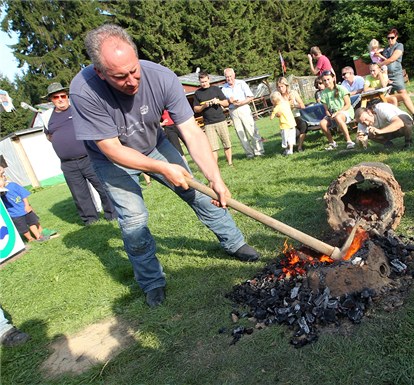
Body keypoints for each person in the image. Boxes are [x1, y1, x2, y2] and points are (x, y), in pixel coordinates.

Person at [69, 24, 260, 308]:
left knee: (201, 195)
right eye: (120, 77)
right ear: (100, 72)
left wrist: (215, 178)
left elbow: (192, 132)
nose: (132, 81)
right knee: (134, 221)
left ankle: (234, 243)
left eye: (134, 71)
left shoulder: (161, 77)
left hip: (154, 144)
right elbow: (110, 148)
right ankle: (152, 282)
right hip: (111, 158)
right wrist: (162, 169)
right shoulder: (83, 90)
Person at [42, 82, 117, 226]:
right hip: (68, 164)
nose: (60, 99)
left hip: (89, 158)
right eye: (56, 97)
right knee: (79, 194)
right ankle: (90, 220)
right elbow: (49, 136)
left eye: (63, 96)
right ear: (51, 100)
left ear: (67, 96)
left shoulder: (78, 109)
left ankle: (112, 214)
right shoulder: (47, 117)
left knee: (102, 186)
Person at [0, 169, 57, 242]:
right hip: (14, 214)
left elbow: (23, 195)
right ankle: (30, 238)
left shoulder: (13, 185)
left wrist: (27, 205)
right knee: (23, 228)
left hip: (25, 209)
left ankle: (39, 236)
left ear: (3, 178)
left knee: (32, 222)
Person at [379, 28, 414, 122]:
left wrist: (379, 65)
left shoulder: (399, 46)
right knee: (388, 97)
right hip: (386, 75)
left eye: (392, 37)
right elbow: (384, 58)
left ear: (396, 37)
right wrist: (378, 54)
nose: (390, 40)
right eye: (388, 38)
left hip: (396, 74)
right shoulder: (386, 49)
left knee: (403, 94)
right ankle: (393, 118)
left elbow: (392, 59)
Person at [221, 68, 265, 159]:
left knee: (252, 130)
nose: (229, 78)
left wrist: (242, 102)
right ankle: (249, 154)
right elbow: (223, 103)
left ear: (234, 75)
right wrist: (229, 103)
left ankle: (259, 151)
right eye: (227, 77)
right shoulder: (224, 88)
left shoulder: (241, 83)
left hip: (243, 107)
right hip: (233, 111)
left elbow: (250, 96)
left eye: (230, 76)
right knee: (241, 134)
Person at [193, 71, 234, 166]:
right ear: (199, 82)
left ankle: (230, 163)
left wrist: (218, 101)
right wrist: (204, 106)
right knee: (213, 147)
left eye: (206, 81)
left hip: (221, 120)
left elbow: (226, 103)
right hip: (208, 123)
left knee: (227, 143)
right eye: (202, 82)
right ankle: (215, 166)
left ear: (209, 80)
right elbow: (196, 109)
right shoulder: (197, 93)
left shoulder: (216, 89)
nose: (204, 83)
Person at [318, 71, 356, 150]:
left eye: (328, 79)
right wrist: (329, 115)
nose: (327, 82)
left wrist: (337, 113)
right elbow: (326, 109)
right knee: (322, 123)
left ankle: (349, 141)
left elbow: (348, 104)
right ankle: (332, 142)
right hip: (332, 114)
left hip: (345, 111)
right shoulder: (324, 93)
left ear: (333, 78)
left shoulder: (341, 88)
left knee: (338, 117)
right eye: (324, 80)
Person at [275, 77, 306, 152]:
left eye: (282, 86)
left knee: (303, 126)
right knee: (288, 131)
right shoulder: (277, 97)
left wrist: (294, 106)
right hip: (287, 120)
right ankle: (288, 147)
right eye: (279, 87)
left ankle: (299, 147)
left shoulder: (293, 93)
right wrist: (278, 114)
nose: (280, 89)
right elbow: (276, 111)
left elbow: (302, 106)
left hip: (297, 117)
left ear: (286, 85)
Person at [269, 91, 296, 155]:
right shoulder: (286, 103)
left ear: (273, 101)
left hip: (284, 126)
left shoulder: (276, 108)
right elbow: (291, 103)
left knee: (285, 139)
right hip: (292, 123)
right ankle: (291, 150)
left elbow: (271, 117)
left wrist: (273, 115)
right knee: (291, 138)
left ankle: (286, 150)